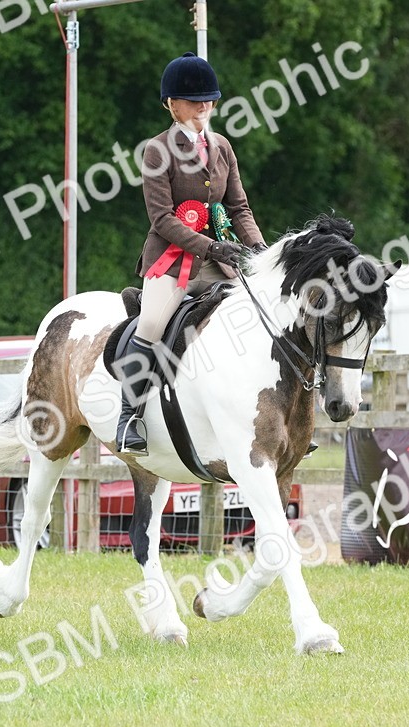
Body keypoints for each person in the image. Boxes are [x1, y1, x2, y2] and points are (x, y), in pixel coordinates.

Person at [116, 52, 268, 456]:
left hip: (220, 265)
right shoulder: (157, 150)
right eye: (195, 99)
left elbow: (239, 208)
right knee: (150, 323)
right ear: (171, 103)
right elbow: (163, 219)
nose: (204, 106)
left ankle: (272, 414)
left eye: (210, 99)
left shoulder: (222, 147)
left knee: (262, 317)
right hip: (170, 262)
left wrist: (260, 252)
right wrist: (212, 245)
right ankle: (129, 415)